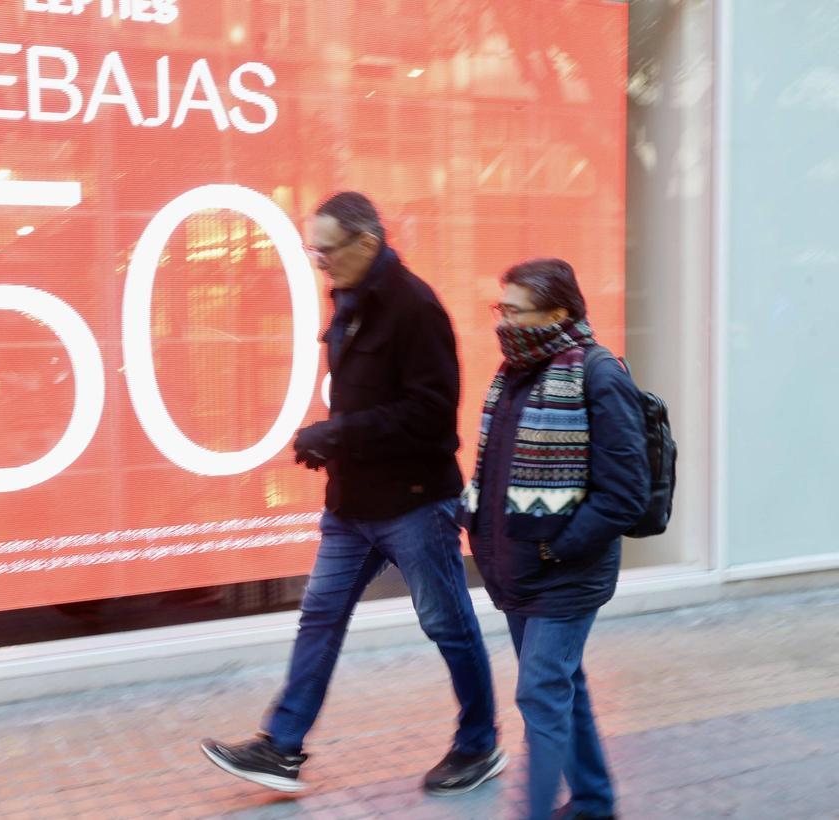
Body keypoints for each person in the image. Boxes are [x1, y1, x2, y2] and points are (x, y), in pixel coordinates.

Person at [201, 192, 503, 795]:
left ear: (367, 244)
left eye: (326, 250)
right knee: (320, 617)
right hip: (352, 505)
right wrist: (336, 445)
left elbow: (431, 414)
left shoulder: (415, 307)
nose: (319, 263)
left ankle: (479, 744)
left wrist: (338, 433)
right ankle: (281, 747)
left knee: (447, 623)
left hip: (416, 503)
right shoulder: (350, 297)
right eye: (314, 250)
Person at [462, 258, 649, 819]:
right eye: (502, 308)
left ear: (558, 310)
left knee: (541, 692)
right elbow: (495, 474)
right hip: (519, 568)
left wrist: (558, 547)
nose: (504, 321)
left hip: (566, 570)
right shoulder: (515, 373)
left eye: (514, 310)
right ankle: (593, 801)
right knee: (565, 686)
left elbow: (625, 492)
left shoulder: (599, 374)